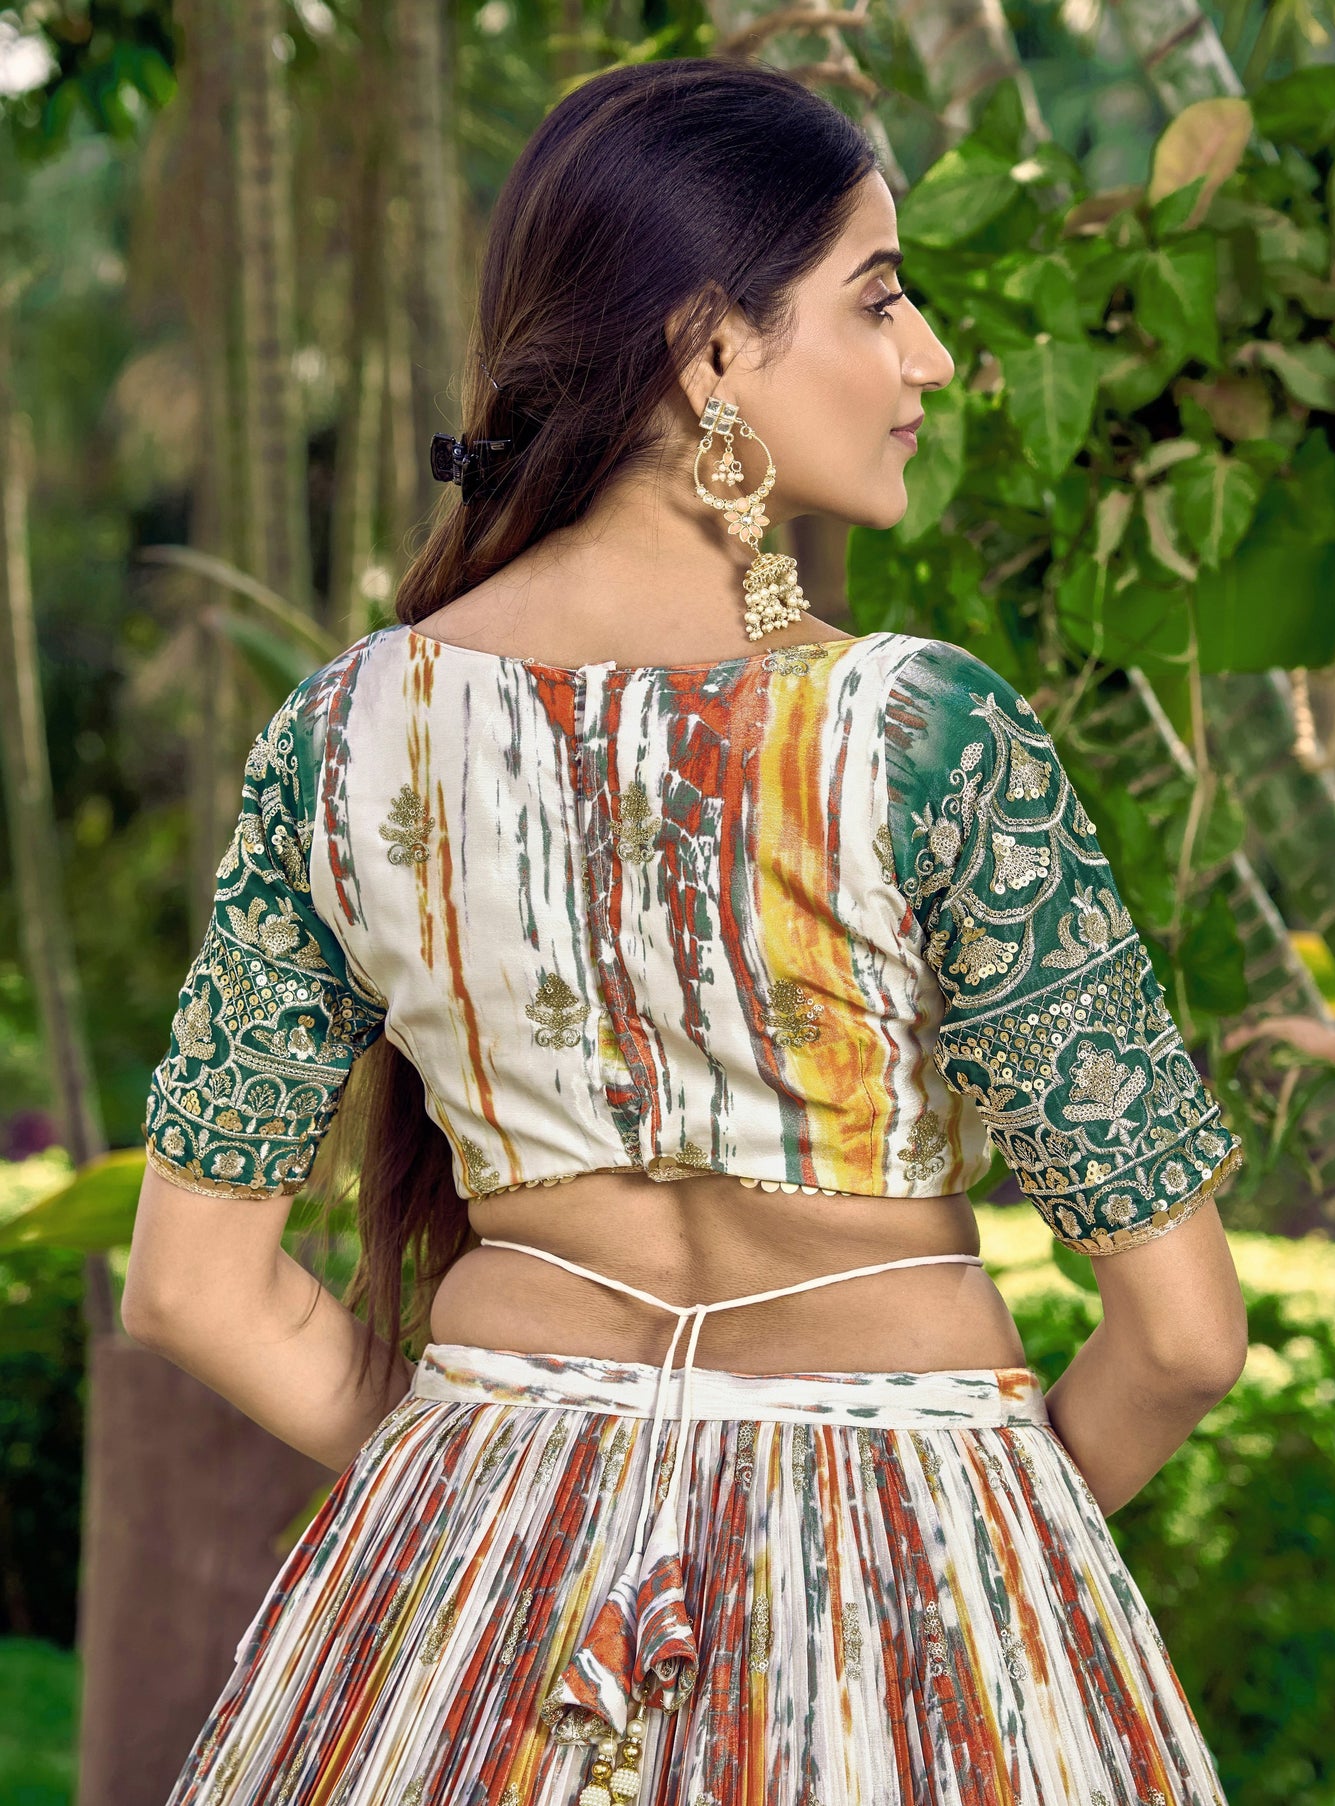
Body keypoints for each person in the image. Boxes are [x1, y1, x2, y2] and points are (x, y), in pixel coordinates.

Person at [123, 55, 1248, 1806]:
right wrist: (956, 1528)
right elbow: (1179, 1335)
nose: (928, 361)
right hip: (920, 1556)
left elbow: (192, 1285)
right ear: (713, 353)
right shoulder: (919, 735)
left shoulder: (344, 738)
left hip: (469, 1586)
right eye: (879, 301)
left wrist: (481, 1478)